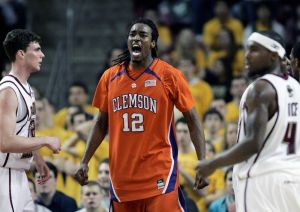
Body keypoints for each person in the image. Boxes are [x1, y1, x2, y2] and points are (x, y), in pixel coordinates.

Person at [75, 18, 207, 212]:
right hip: (122, 181)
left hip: (160, 176)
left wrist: (202, 162)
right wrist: (84, 161)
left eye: (143, 35)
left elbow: (193, 120)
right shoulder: (110, 77)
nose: (136, 38)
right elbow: (101, 124)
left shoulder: (169, 75)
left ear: (153, 43)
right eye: (132, 35)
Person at [195, 30, 300, 212]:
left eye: (254, 50)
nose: (246, 56)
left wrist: (211, 164)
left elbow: (253, 143)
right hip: (293, 181)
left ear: (273, 55)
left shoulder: (260, 89)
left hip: (262, 181)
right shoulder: (295, 87)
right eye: (247, 49)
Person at [0, 29, 61, 211]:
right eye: (37, 49)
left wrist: (38, 159)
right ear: (21, 54)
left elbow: (26, 131)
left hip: (19, 174)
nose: (42, 55)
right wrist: (46, 140)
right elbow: (5, 142)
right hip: (5, 176)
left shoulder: (26, 87)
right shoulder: (8, 90)